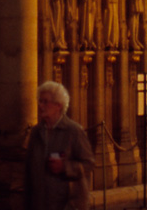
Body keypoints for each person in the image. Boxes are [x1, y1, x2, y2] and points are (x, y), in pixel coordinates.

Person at [25, 81, 95, 210]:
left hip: (67, 205)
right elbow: (29, 170)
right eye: (40, 101)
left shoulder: (73, 131)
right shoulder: (36, 133)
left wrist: (65, 167)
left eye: (45, 102)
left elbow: (89, 164)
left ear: (58, 105)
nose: (40, 106)